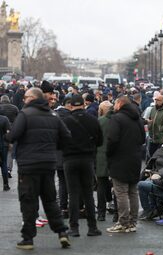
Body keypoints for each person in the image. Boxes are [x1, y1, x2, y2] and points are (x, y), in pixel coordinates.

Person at [5, 88, 71, 250]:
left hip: (28, 164)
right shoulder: (52, 115)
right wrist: (54, 147)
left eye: (26, 97)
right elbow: (67, 137)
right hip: (48, 163)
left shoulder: (25, 114)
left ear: (33, 98)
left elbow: (13, 135)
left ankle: (28, 238)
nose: (24, 99)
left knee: (28, 200)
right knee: (50, 200)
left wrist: (8, 136)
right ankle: (62, 232)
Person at [62, 95, 103, 237]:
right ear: (84, 105)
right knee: (88, 194)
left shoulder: (65, 121)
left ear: (71, 106)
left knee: (73, 194)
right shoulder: (93, 120)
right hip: (87, 159)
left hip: (69, 160)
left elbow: (58, 142)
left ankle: (74, 228)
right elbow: (100, 141)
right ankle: (92, 227)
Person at [106, 95, 145, 233]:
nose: (114, 106)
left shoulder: (117, 118)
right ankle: (133, 222)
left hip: (119, 159)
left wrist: (108, 154)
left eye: (115, 103)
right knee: (133, 191)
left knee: (121, 191)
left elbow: (112, 139)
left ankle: (123, 222)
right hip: (134, 159)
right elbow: (142, 139)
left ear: (120, 103)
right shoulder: (138, 119)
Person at [138, 131, 163, 220]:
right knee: (143, 182)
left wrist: (155, 178)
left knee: (142, 185)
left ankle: (148, 210)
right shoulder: (160, 151)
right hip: (156, 179)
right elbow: (149, 166)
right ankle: (153, 209)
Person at [96, 100, 116, 222]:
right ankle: (117, 214)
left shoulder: (99, 121)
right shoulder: (118, 120)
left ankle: (101, 213)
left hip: (101, 157)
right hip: (115, 157)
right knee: (118, 186)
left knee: (101, 186)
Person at [55, 97, 72, 219]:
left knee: (61, 182)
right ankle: (73, 206)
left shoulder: (54, 116)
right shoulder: (72, 118)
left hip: (56, 155)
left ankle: (63, 207)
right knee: (72, 182)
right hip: (69, 154)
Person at [0, 114, 10, 191]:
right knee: (4, 164)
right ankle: (5, 185)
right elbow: (8, 132)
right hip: (3, 145)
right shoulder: (4, 119)